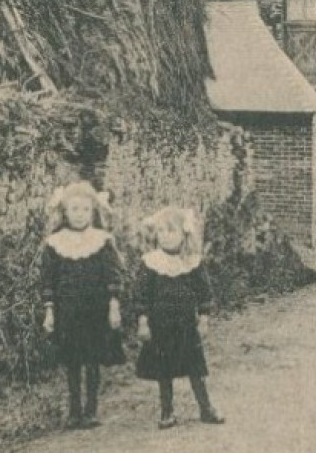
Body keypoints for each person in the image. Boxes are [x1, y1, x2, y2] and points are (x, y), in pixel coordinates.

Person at [40, 182, 126, 429]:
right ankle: (74, 411)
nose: (79, 214)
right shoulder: (55, 243)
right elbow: (48, 280)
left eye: (85, 209)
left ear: (92, 212)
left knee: (92, 359)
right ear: (65, 212)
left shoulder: (101, 241)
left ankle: (91, 410)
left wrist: (113, 305)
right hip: (68, 311)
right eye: (74, 209)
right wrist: (49, 311)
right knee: (72, 361)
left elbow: (112, 276)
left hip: (95, 311)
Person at [135, 207, 223, 429]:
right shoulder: (151, 262)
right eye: (161, 231)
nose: (165, 235)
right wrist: (143, 320)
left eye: (171, 231)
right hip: (161, 326)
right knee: (164, 369)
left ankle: (206, 407)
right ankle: (167, 411)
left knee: (195, 367)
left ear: (184, 235)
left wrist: (203, 319)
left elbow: (205, 293)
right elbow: (141, 295)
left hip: (186, 325)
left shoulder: (192, 262)